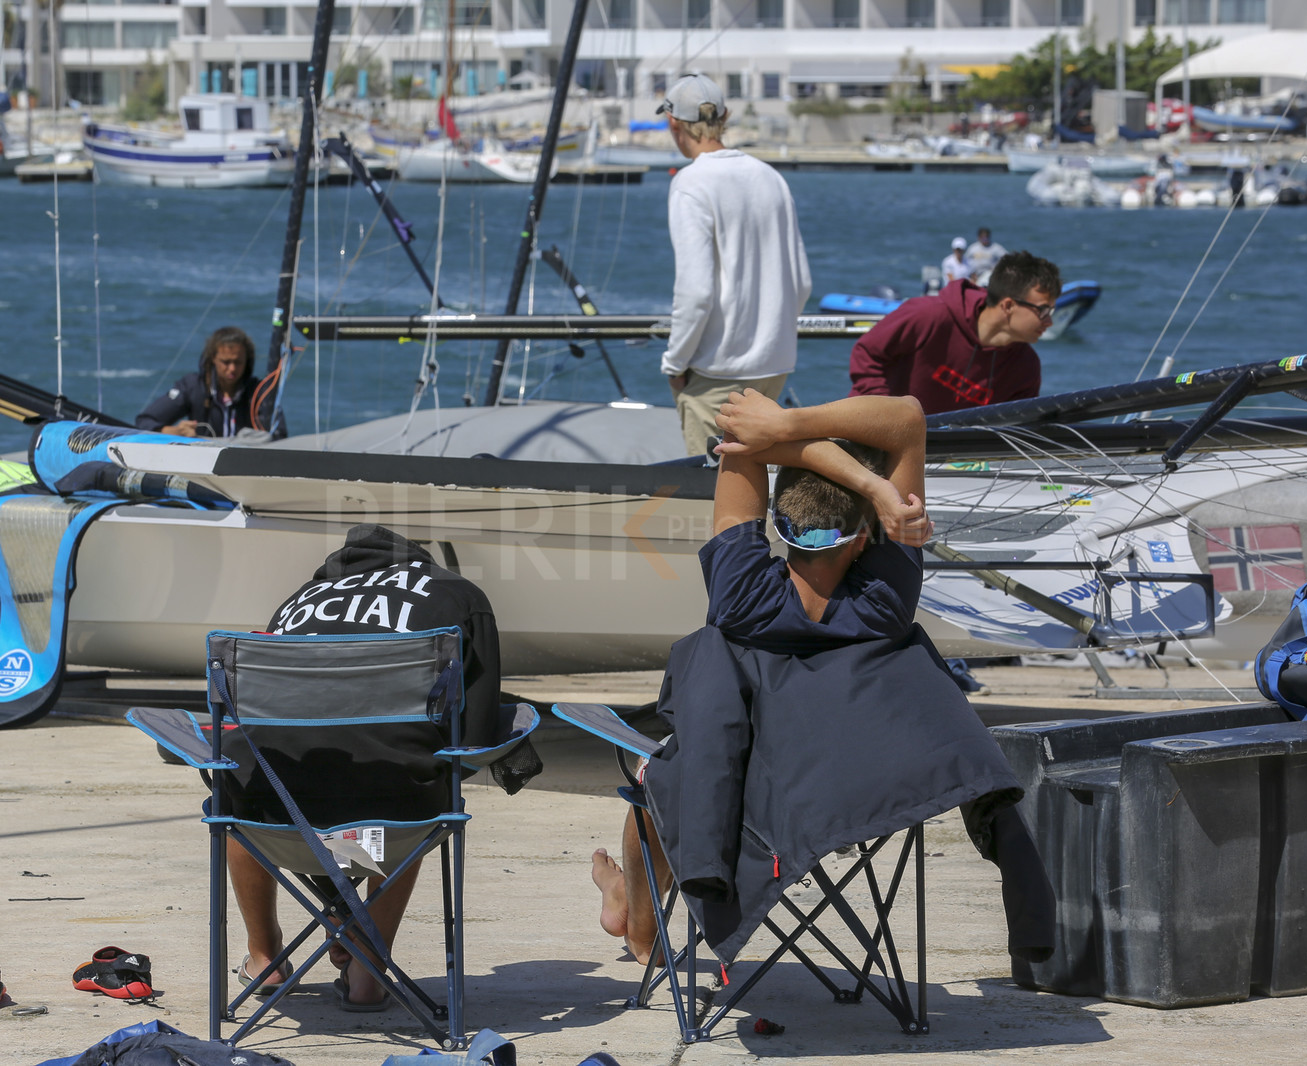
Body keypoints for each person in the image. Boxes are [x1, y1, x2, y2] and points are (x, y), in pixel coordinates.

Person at [591, 391, 1054, 967]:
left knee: (660, 772)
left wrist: (784, 430)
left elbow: (738, 436)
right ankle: (627, 908)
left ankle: (637, 923)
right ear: (865, 537)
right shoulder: (887, 599)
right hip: (859, 784)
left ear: (780, 529)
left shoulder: (741, 597)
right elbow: (909, 417)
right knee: (670, 766)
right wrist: (876, 485)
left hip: (753, 784)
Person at [226, 523, 539, 1011]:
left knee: (237, 788)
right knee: (420, 782)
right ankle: (367, 966)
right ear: (417, 561)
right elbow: (472, 736)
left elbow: (261, 719)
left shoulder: (297, 601)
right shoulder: (457, 594)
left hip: (275, 823)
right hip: (395, 821)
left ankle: (265, 957)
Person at [657, 72, 813, 456]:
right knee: (759, 488)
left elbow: (696, 292)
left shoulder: (691, 184)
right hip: (774, 365)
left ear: (674, 123)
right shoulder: (770, 177)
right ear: (724, 117)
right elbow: (803, 282)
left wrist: (675, 364)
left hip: (717, 372)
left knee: (715, 496)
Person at [847, 250, 1060, 412]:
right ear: (1007, 306)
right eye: (1043, 310)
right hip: (875, 437)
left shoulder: (1026, 368)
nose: (1049, 321)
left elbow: (1015, 430)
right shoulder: (929, 314)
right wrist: (887, 413)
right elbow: (867, 352)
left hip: (954, 462)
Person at [136, 326, 284, 439]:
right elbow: (144, 422)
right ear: (213, 358)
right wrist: (175, 431)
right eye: (226, 362)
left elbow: (279, 435)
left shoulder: (260, 392)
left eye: (238, 362)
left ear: (247, 361)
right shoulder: (192, 386)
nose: (232, 368)